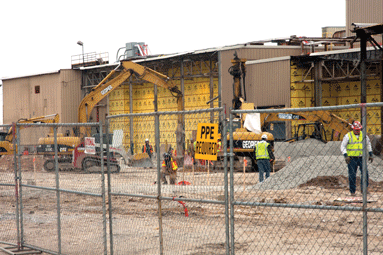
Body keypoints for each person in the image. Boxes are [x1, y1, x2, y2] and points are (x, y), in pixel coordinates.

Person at [340, 121, 373, 196]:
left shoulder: (364, 135)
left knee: (365, 174)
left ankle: (364, 190)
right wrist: (345, 155)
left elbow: (368, 144)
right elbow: (342, 146)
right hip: (351, 159)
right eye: (356, 130)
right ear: (353, 129)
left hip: (362, 157)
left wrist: (370, 153)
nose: (358, 131)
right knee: (352, 175)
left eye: (359, 130)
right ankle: (352, 191)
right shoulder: (348, 136)